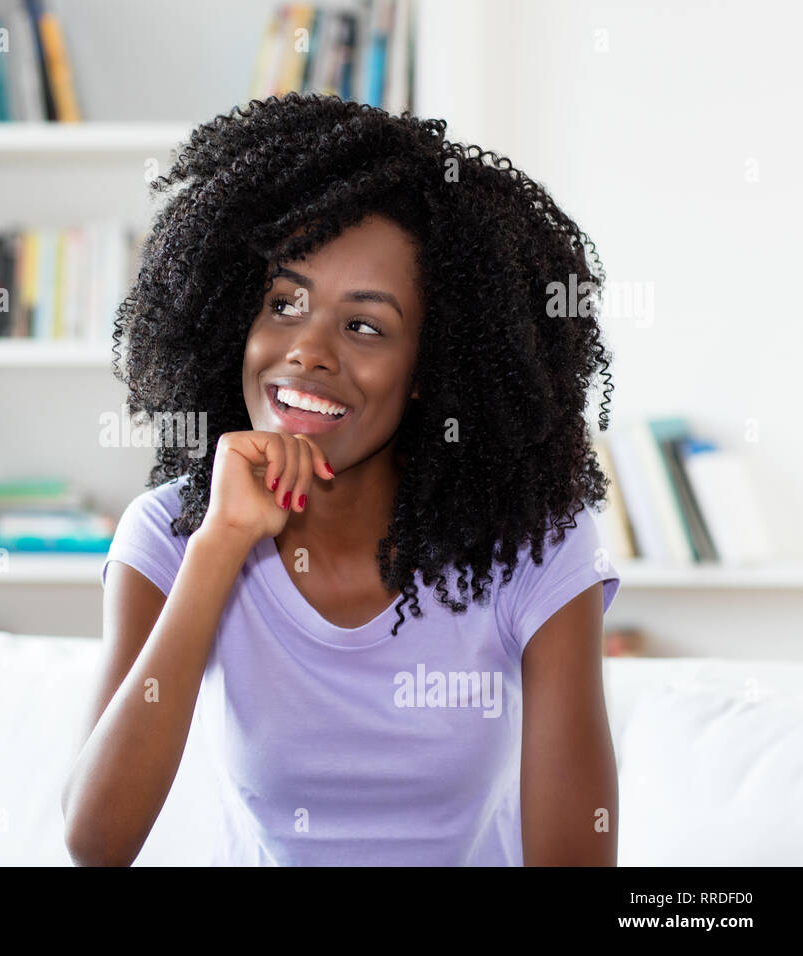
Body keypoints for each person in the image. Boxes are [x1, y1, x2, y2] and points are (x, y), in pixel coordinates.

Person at [61, 93, 621, 866]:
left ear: (431, 368)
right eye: (284, 304)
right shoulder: (171, 532)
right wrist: (221, 544)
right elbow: (95, 841)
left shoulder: (535, 548)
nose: (308, 352)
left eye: (364, 326)